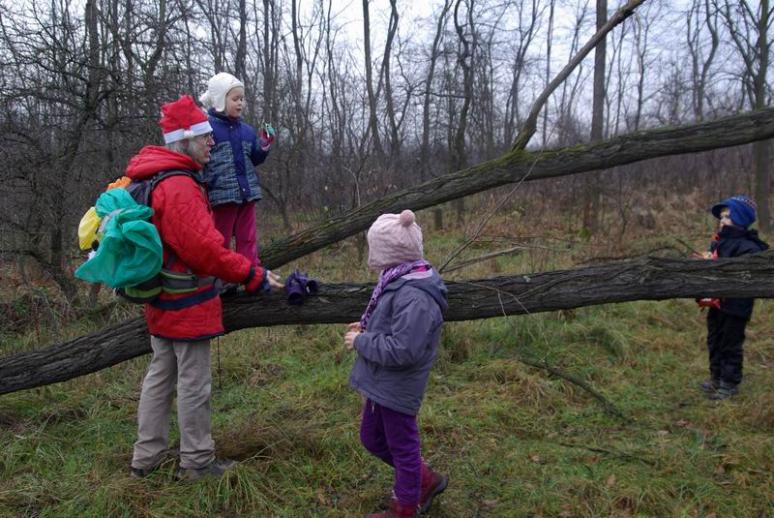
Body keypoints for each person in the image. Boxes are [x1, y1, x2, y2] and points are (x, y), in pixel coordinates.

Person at [127, 95, 283, 481]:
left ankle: (147, 458)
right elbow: (207, 253)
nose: (212, 141)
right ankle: (196, 462)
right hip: (186, 300)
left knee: (160, 376)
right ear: (185, 141)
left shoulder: (155, 175)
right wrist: (253, 275)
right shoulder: (179, 186)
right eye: (204, 136)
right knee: (194, 383)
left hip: (160, 298)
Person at [344, 210, 449, 518]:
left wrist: (362, 342)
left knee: (403, 448)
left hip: (398, 386)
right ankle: (425, 480)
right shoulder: (398, 280)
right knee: (371, 437)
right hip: (383, 382)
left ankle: (404, 508)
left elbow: (405, 349)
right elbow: (393, 326)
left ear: (388, 253)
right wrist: (368, 328)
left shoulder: (415, 295)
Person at [199, 72, 274, 267]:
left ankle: (251, 272)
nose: (240, 103)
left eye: (242, 99)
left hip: (247, 193)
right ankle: (222, 276)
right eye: (235, 99)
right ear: (219, 100)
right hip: (222, 196)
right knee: (220, 238)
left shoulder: (247, 131)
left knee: (248, 237)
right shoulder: (207, 129)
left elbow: (255, 158)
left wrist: (264, 144)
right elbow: (199, 160)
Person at [699, 195, 768, 400]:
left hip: (737, 304)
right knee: (714, 338)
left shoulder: (749, 248)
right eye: (721, 217)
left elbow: (747, 278)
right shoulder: (718, 243)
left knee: (730, 342)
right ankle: (716, 377)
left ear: (740, 219)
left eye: (727, 217)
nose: (722, 221)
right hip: (716, 302)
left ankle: (729, 383)